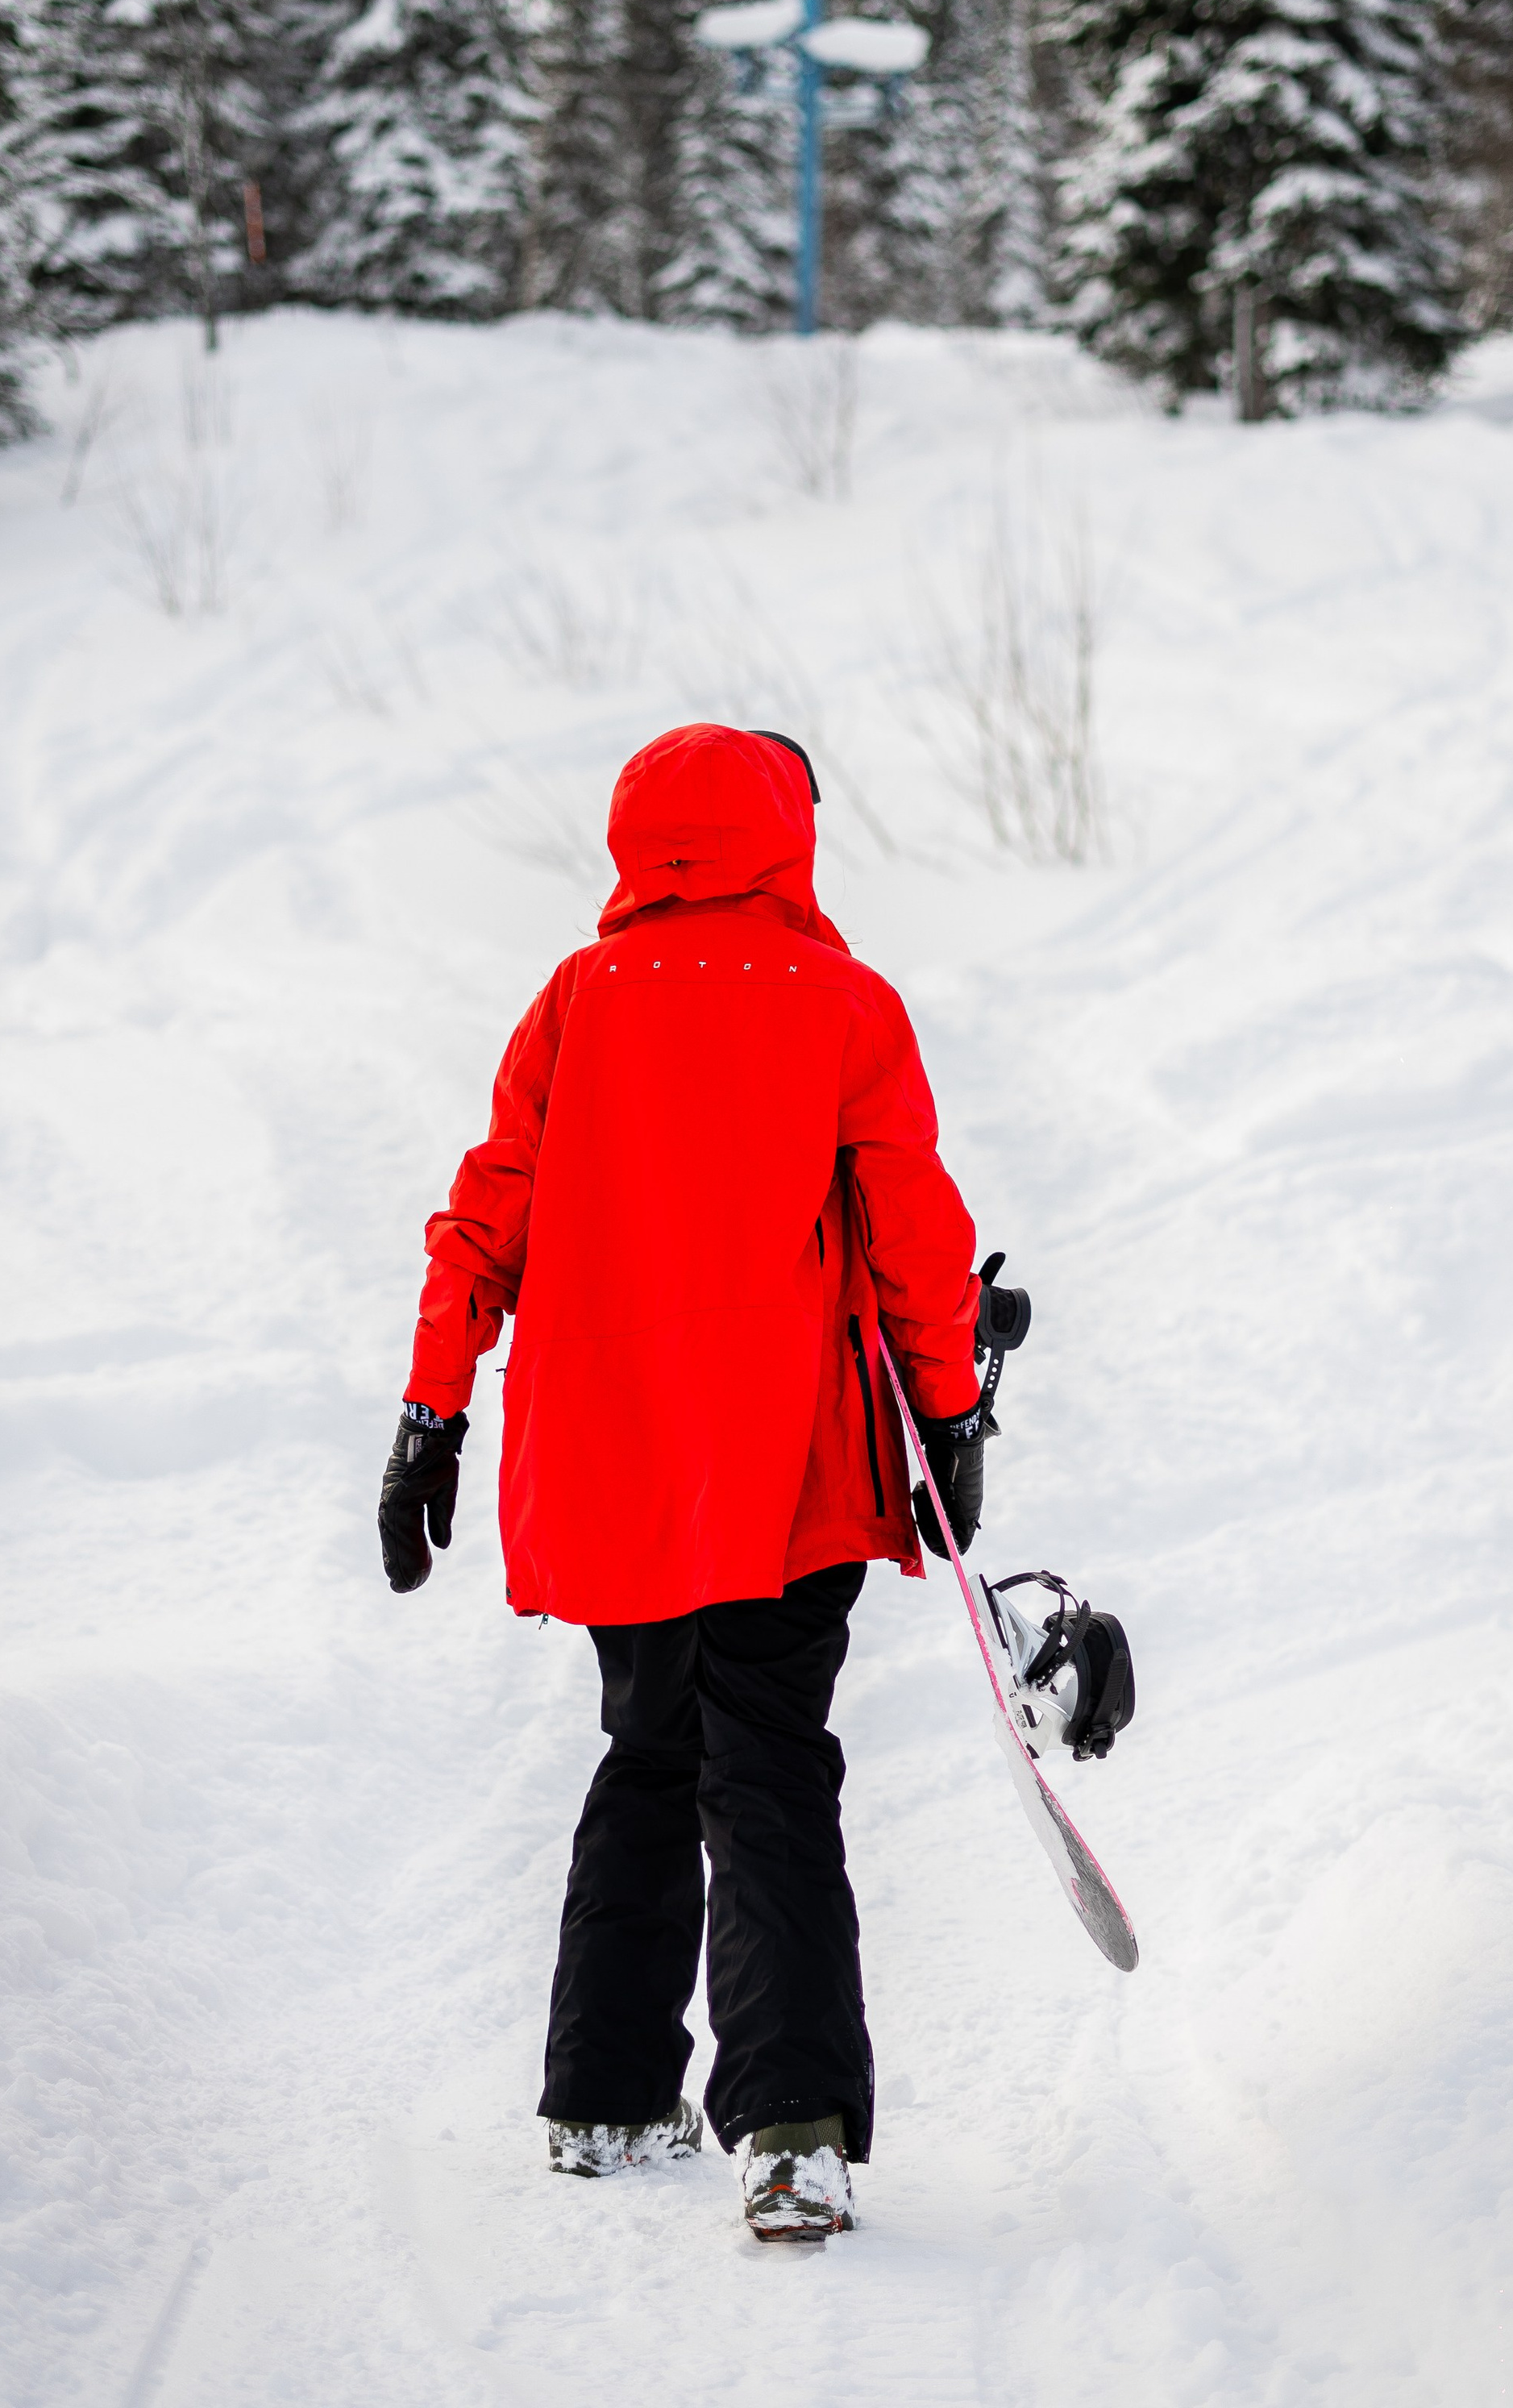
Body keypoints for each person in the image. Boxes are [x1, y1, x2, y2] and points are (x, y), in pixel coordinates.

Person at [377, 721, 991, 2243]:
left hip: (616, 1470)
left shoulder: (577, 1002)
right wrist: (953, 1409)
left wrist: (430, 1413)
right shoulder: (844, 1005)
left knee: (651, 1747)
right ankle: (788, 2134)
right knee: (768, 1761)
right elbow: (913, 1237)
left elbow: (485, 1222)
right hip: (784, 1465)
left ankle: (604, 2099)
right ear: (788, 836)